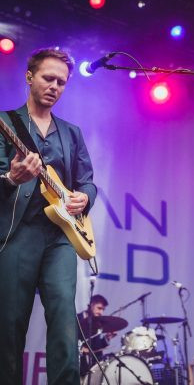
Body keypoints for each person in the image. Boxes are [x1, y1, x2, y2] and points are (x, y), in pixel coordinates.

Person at [0, 48, 97, 385]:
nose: (55, 86)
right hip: (17, 235)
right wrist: (12, 178)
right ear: (29, 77)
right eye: (48, 78)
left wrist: (84, 198)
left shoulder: (71, 132)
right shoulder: (5, 123)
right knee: (10, 325)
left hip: (60, 238)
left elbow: (86, 182)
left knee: (64, 322)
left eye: (62, 82)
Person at [77, 294, 116, 376]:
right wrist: (80, 348)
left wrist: (107, 338)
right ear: (91, 305)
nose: (101, 312)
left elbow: (96, 347)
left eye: (103, 309)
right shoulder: (77, 319)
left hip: (93, 368)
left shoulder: (97, 323)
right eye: (99, 308)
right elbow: (67, 340)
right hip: (78, 366)